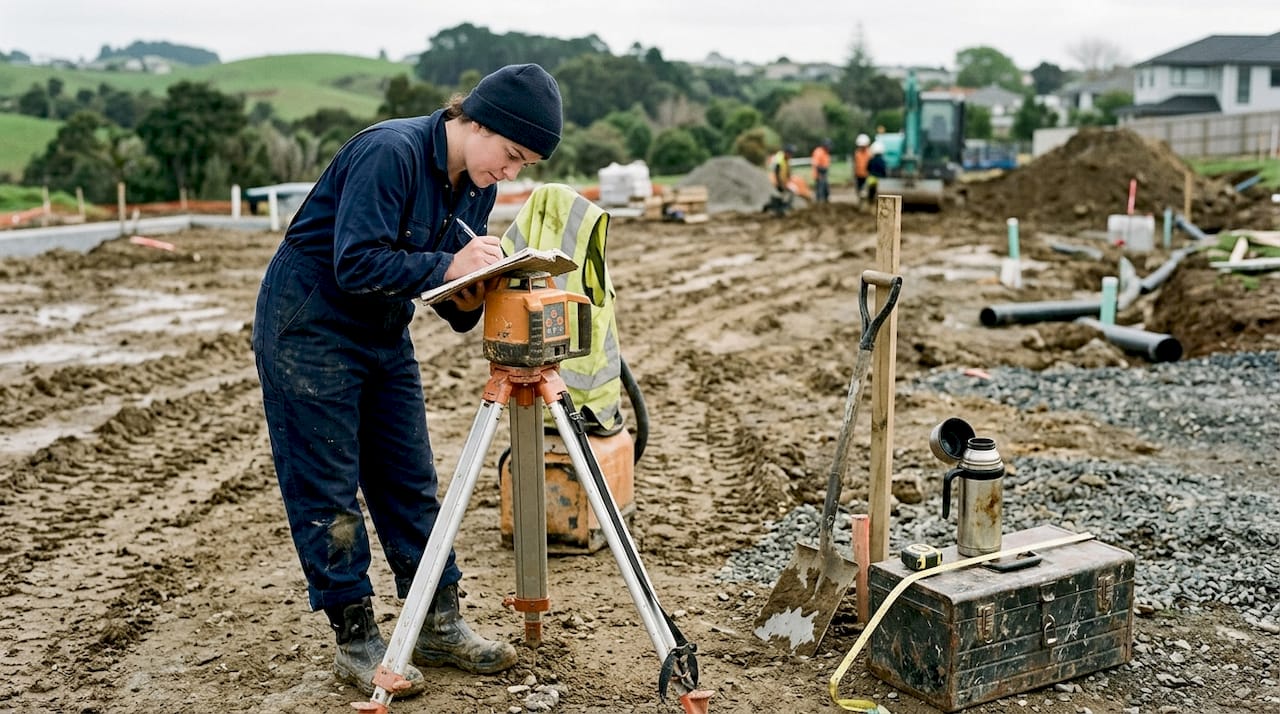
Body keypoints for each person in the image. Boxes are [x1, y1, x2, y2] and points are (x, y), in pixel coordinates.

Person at [251, 63, 563, 697]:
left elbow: (444, 298)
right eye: (509, 155)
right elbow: (357, 261)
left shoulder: (473, 185)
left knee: (409, 477)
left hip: (380, 329)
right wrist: (449, 261)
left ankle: (437, 621)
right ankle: (357, 637)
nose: (508, 173)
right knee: (328, 486)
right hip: (308, 325)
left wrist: (483, 285)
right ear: (476, 122)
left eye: (522, 165)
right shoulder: (389, 152)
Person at [811, 138, 832, 203]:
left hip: (824, 174)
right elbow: (816, 164)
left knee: (826, 191)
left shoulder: (826, 153)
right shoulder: (818, 152)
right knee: (820, 191)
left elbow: (826, 164)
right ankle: (819, 205)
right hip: (819, 175)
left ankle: (825, 203)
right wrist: (821, 170)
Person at [852, 133, 872, 199]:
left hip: (867, 175)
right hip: (858, 175)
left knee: (867, 191)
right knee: (859, 191)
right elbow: (855, 164)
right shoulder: (857, 153)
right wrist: (854, 173)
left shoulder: (870, 153)